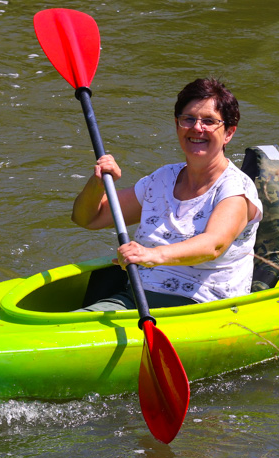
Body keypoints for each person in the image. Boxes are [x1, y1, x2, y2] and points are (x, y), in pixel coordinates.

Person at [71, 77, 263, 310]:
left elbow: (214, 245)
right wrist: (98, 182)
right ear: (177, 125)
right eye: (188, 119)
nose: (196, 128)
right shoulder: (162, 179)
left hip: (202, 304)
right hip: (139, 294)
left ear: (229, 133)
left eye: (209, 121)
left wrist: (151, 255)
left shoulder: (235, 189)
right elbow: (88, 218)